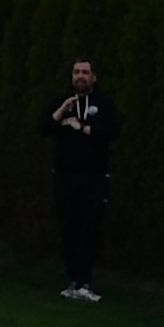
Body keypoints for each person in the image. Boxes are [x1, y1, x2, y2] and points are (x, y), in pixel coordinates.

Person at [42, 58, 120, 301]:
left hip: (94, 176)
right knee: (68, 228)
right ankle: (73, 280)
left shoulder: (103, 103)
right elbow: (43, 128)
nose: (80, 76)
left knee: (90, 227)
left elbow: (112, 131)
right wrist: (61, 113)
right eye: (77, 72)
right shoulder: (63, 101)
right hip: (65, 176)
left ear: (93, 77)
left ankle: (85, 281)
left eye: (85, 72)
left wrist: (81, 127)